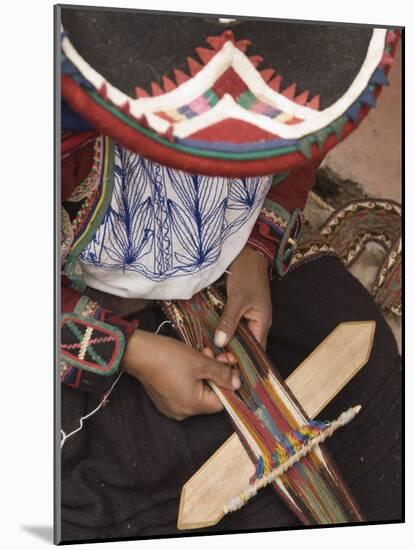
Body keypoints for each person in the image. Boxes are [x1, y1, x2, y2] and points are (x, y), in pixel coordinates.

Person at [59, 8, 401, 543]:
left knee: (374, 371)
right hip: (78, 302)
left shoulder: (302, 53)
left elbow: (300, 153)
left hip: (233, 266)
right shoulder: (49, 104)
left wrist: (256, 251)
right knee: (98, 493)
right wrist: (132, 352)